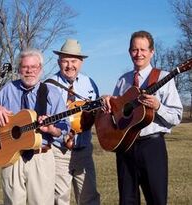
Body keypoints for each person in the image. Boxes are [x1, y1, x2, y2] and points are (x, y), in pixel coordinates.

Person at [0, 48, 70, 205]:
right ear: (19, 69)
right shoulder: (9, 88)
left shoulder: (52, 92)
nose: (29, 71)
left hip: (40, 157)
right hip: (11, 156)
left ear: (40, 69)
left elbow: (64, 128)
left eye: (34, 67)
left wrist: (51, 129)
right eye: (25, 67)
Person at [107, 30, 183, 205]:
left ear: (152, 52)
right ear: (129, 52)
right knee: (127, 200)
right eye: (134, 50)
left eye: (143, 49)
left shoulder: (164, 78)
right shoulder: (122, 81)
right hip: (125, 148)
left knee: (156, 199)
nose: (138, 54)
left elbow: (177, 116)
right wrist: (109, 105)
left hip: (152, 147)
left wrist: (158, 107)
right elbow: (117, 115)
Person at [49, 39, 100, 205]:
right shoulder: (48, 85)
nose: (70, 65)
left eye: (74, 61)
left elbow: (97, 114)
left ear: (81, 62)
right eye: (65, 61)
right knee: (60, 199)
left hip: (84, 150)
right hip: (59, 151)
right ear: (58, 62)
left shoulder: (90, 83)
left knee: (89, 197)